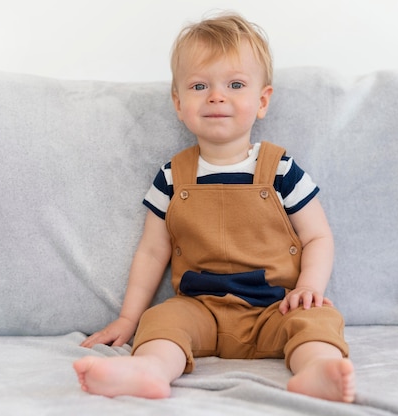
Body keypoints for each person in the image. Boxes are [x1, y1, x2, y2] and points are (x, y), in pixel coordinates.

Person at [73, 11, 355, 403]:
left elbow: (318, 235)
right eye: (199, 85)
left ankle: (316, 369)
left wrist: (308, 288)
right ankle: (150, 370)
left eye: (235, 84)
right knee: (162, 319)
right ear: (178, 102)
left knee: (319, 318)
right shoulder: (172, 177)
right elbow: (153, 251)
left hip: (274, 308)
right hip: (200, 310)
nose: (216, 96)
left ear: (262, 100)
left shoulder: (281, 171)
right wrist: (128, 318)